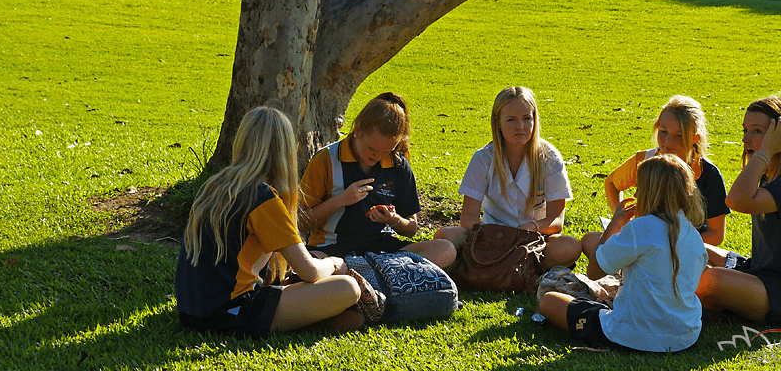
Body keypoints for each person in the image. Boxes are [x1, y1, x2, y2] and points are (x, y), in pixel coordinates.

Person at [175, 107, 362, 338]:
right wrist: (334, 262)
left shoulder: (216, 185)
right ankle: (298, 326)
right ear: (285, 151)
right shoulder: (261, 197)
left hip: (191, 312)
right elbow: (311, 272)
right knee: (347, 288)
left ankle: (301, 321)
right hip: (228, 313)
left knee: (342, 307)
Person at [539, 154, 708, 353]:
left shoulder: (641, 227)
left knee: (549, 301)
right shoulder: (694, 235)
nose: (636, 195)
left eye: (639, 188)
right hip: (686, 337)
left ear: (650, 192)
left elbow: (594, 271)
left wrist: (614, 225)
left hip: (632, 335)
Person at [695, 95, 781, 326]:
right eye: (745, 130)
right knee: (691, 244)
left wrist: (765, 152)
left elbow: (736, 200)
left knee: (711, 279)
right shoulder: (779, 175)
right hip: (762, 271)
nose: (746, 139)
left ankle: (650, 294)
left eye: (757, 132)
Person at [299, 92, 456, 268]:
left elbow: (411, 229)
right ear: (357, 131)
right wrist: (341, 200)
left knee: (445, 249)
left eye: (386, 151)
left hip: (383, 252)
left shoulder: (398, 164)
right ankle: (379, 275)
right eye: (372, 149)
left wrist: (392, 219)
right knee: (314, 264)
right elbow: (300, 221)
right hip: (332, 249)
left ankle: (364, 274)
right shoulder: (326, 159)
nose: (378, 156)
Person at [434, 86, 580, 270]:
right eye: (511, 120)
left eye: (527, 118)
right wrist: (494, 235)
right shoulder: (483, 158)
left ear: (535, 119)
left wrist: (532, 227)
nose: (520, 126)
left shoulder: (549, 157)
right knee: (445, 236)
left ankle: (493, 266)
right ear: (498, 123)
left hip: (534, 238)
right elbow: (468, 216)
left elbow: (556, 220)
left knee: (570, 246)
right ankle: (520, 268)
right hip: (490, 236)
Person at [602, 95, 730, 246]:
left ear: (695, 138)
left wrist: (673, 248)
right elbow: (611, 183)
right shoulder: (645, 160)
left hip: (685, 250)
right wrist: (620, 220)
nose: (668, 141)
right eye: (663, 131)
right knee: (590, 240)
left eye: (679, 135)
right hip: (644, 241)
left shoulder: (708, 175)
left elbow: (716, 234)